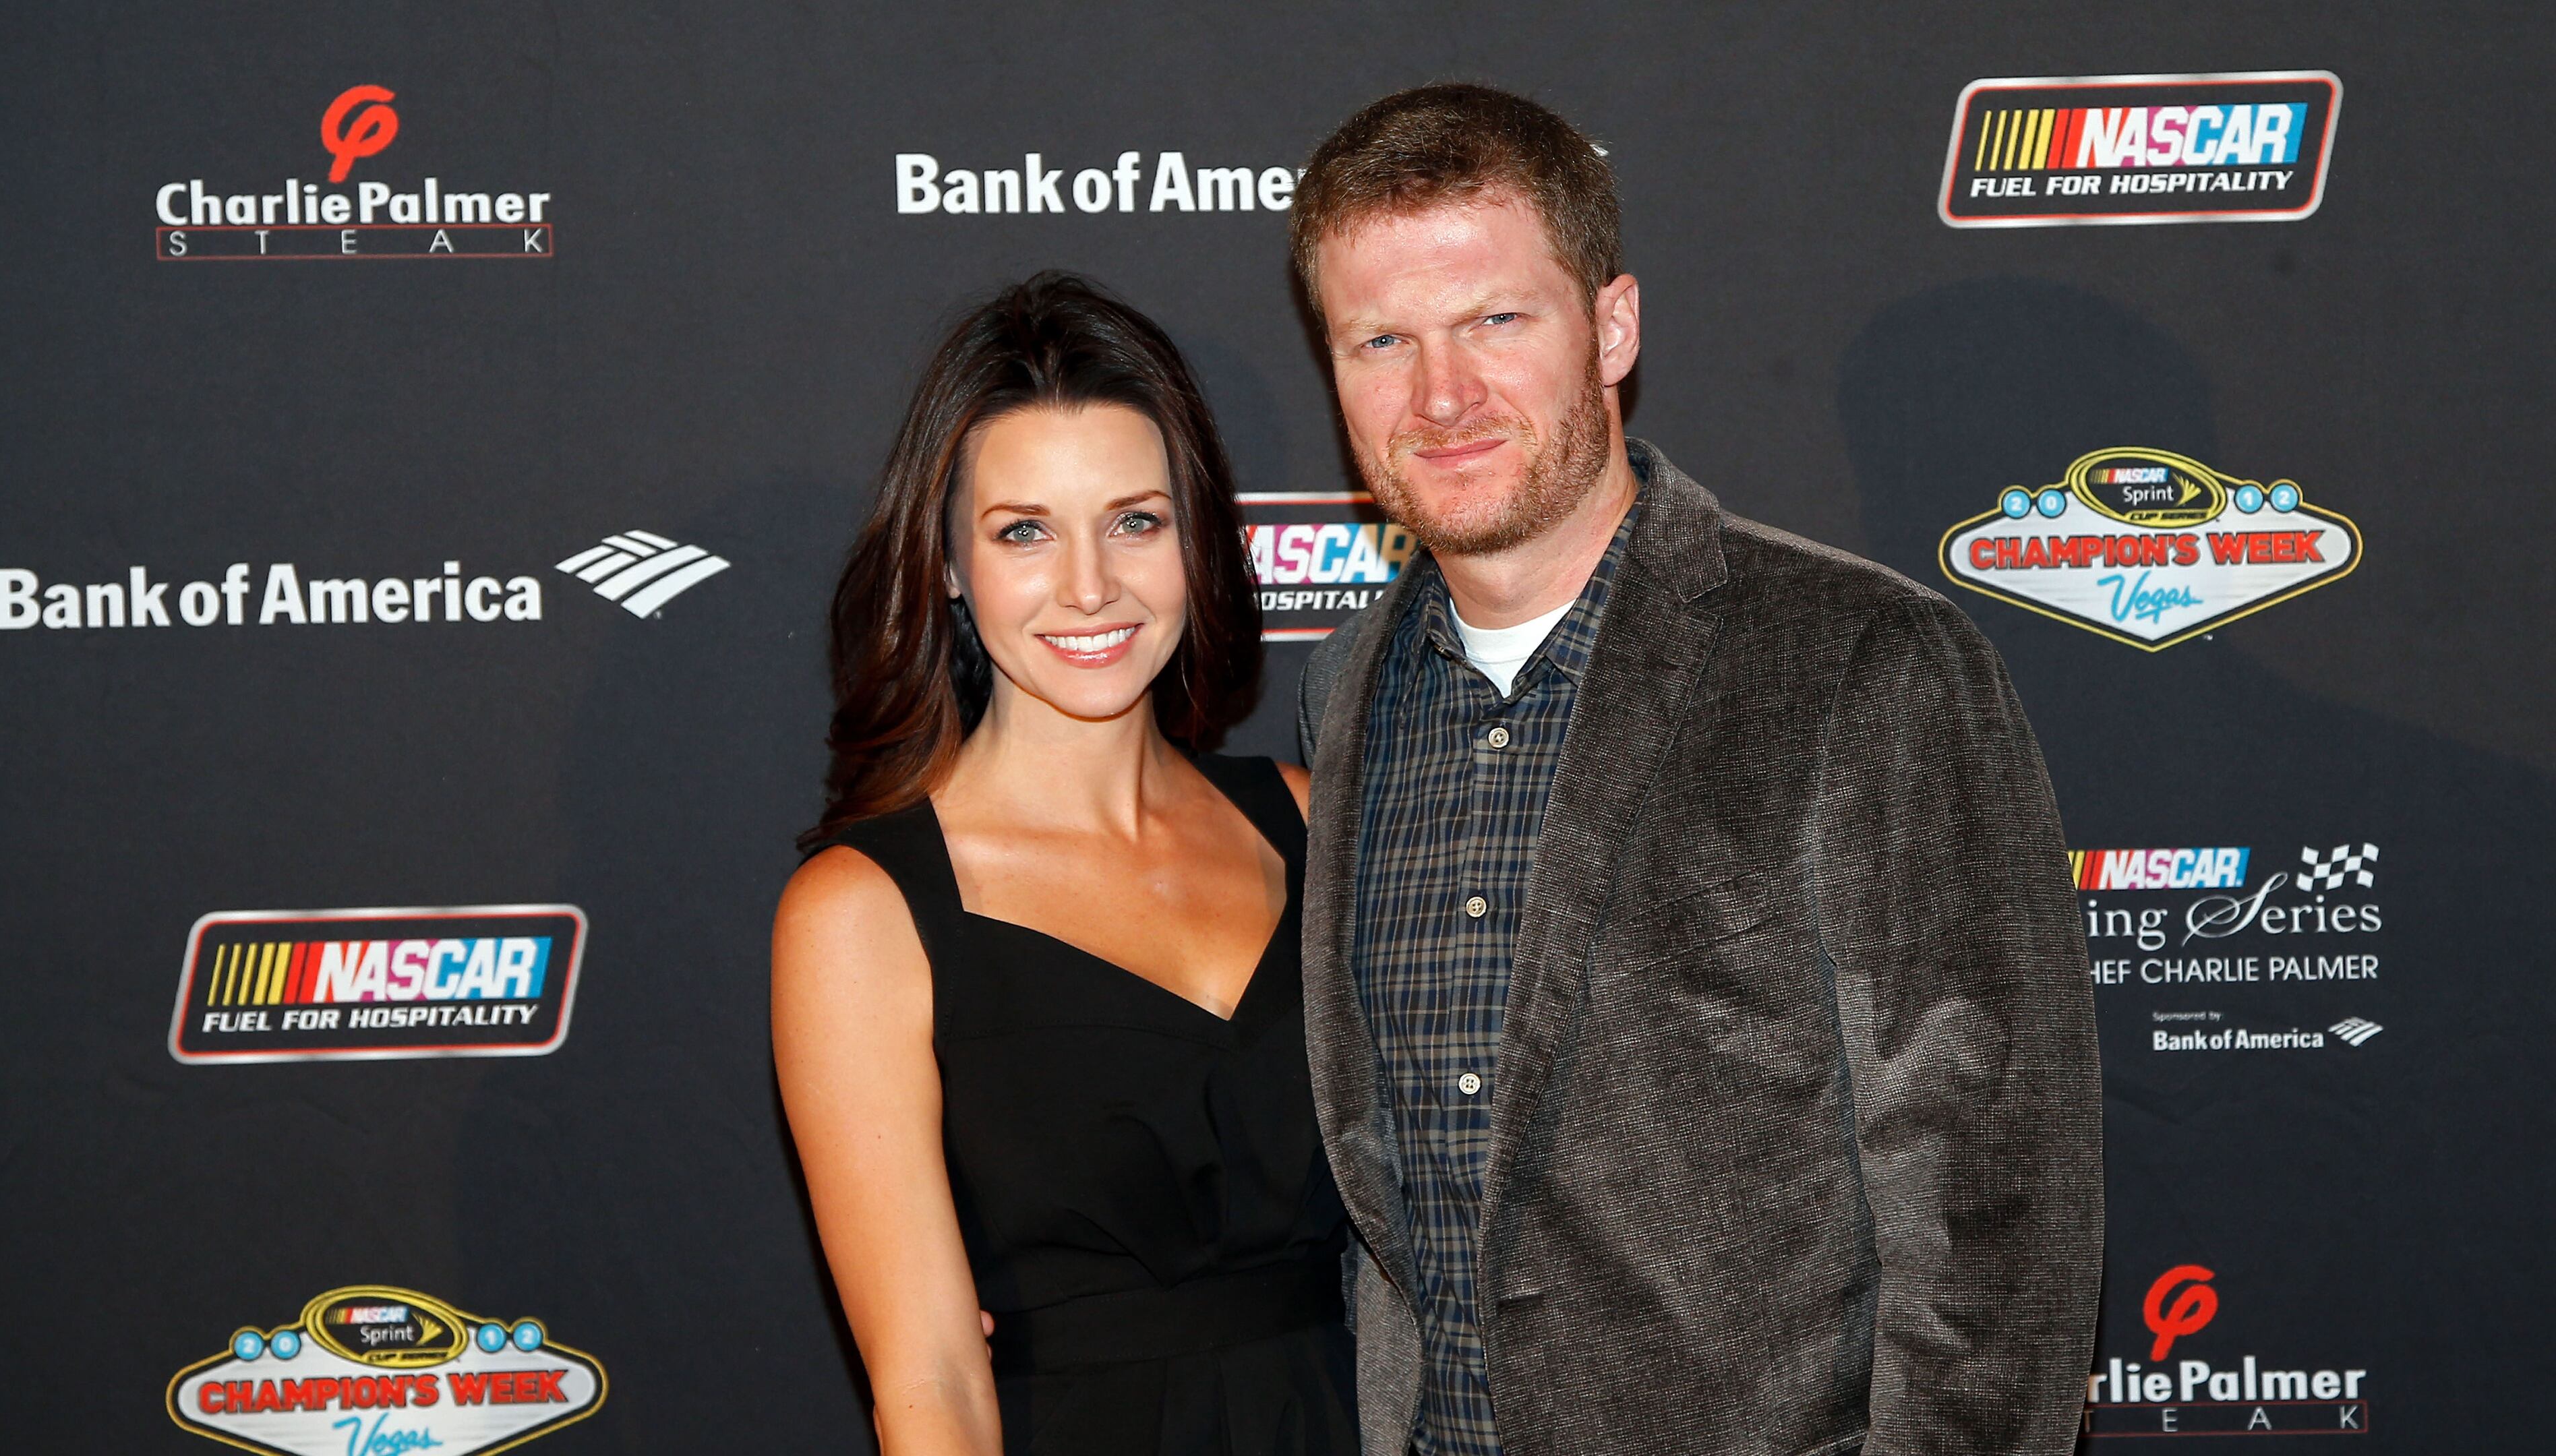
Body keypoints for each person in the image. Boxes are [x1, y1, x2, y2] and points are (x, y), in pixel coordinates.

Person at [1286, 86, 2103, 1455]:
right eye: (1383, 340)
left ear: (1611, 327)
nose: (1443, 395)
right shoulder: (1349, 688)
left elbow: (1994, 1216)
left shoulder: (1862, 660)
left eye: (1496, 320)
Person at [774, 273, 1358, 1456]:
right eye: (1024, 531)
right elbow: (931, 1382)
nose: (1089, 587)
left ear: (1194, 540)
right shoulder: (864, 914)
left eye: (1136, 521)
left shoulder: (1311, 820)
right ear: (946, 565)